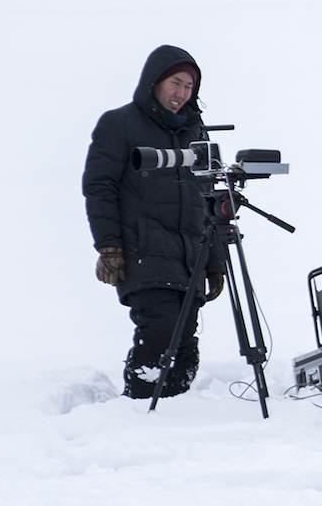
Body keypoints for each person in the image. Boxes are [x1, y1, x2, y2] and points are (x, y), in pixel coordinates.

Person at [83, 45, 225, 399]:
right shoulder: (119, 124)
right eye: (175, 83)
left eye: (189, 88)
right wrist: (109, 246)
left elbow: (210, 198)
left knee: (185, 345)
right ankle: (141, 406)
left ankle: (173, 412)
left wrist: (215, 262)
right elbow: (99, 188)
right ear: (154, 81)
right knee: (161, 331)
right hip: (142, 249)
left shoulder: (196, 132)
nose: (180, 94)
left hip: (190, 255)